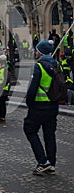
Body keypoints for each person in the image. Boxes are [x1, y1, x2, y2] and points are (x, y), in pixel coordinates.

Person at [23, 39, 59, 175]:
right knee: (50, 135)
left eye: (37, 50)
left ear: (40, 52)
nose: (35, 52)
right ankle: (52, 164)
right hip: (53, 106)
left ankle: (43, 161)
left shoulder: (39, 66)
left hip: (39, 105)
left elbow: (33, 88)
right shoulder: (56, 64)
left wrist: (29, 103)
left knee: (29, 130)